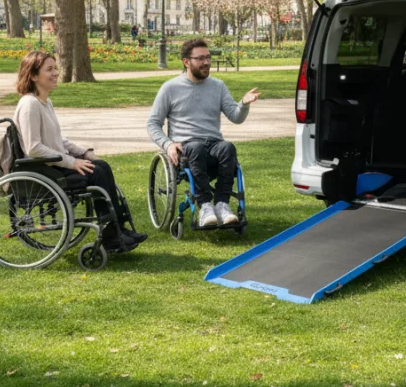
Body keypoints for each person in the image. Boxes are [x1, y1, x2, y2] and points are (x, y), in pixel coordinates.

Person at [13, 50, 145, 253]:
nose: (56, 73)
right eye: (49, 69)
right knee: (97, 172)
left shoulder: (45, 103)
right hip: (44, 170)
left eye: (55, 68)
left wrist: (83, 153)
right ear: (33, 75)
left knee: (100, 165)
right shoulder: (30, 104)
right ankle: (112, 237)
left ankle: (119, 229)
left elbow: (58, 140)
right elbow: (33, 147)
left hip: (53, 164)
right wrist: (71, 162)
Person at [147, 38, 261, 227]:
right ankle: (205, 205)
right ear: (186, 62)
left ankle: (223, 205)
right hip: (187, 147)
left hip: (214, 145)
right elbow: (153, 123)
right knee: (196, 147)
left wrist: (243, 104)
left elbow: (236, 116)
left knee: (227, 148)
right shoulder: (170, 88)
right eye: (200, 59)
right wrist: (168, 145)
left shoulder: (218, 86)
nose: (206, 62)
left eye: (208, 57)